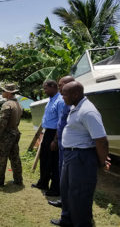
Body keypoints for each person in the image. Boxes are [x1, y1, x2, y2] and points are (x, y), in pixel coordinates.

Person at [51, 81, 111, 227]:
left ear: (75, 94)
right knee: (66, 190)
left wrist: (103, 161)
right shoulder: (75, 107)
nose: (62, 97)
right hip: (69, 155)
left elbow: (101, 140)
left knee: (80, 194)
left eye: (64, 94)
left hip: (81, 157)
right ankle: (67, 220)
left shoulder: (88, 111)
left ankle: (82, 223)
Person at [32, 80, 64, 196]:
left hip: (54, 133)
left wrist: (55, 140)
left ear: (53, 87)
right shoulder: (51, 100)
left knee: (54, 163)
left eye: (46, 88)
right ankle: (43, 183)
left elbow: (61, 123)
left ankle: (55, 189)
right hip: (47, 133)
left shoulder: (60, 101)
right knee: (44, 159)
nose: (44, 91)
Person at [48, 76, 75, 208]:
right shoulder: (65, 102)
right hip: (61, 142)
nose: (59, 88)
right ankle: (64, 200)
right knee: (62, 173)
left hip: (70, 145)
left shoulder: (74, 103)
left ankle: (68, 203)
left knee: (68, 176)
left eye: (61, 85)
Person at [0, 83, 23, 187]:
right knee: (15, 158)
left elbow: (2, 123)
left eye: (3, 91)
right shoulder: (18, 104)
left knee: (2, 158)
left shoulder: (7, 105)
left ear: (9, 93)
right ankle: (18, 180)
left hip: (7, 136)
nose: (2, 92)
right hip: (15, 133)